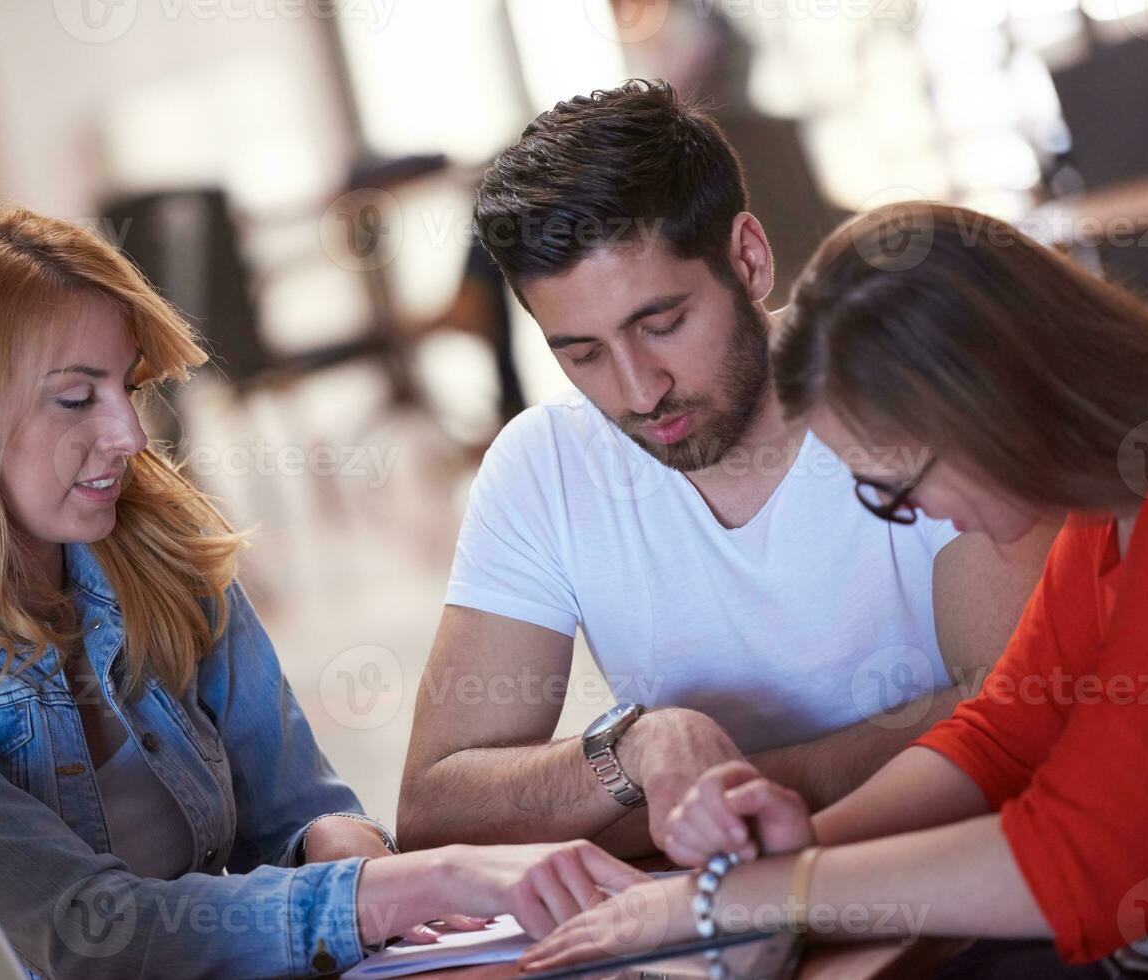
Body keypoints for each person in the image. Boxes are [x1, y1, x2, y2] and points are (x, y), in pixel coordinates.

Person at [0, 206, 648, 979]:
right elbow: (84, 935)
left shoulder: (155, 557)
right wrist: (410, 883)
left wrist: (341, 845)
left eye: (130, 388)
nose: (130, 437)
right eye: (77, 399)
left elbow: (295, 809)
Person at [398, 80, 1055, 859]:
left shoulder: (909, 391)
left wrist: (710, 796)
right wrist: (638, 751)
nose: (639, 391)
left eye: (663, 324)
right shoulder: (542, 466)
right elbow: (434, 812)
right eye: (581, 353)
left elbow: (1021, 723)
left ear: (748, 258)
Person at [517, 202, 1148, 972]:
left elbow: (1078, 864)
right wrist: (806, 842)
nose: (915, 513)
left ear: (990, 402)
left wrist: (739, 897)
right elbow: (1002, 734)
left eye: (897, 485)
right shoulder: (1107, 515)